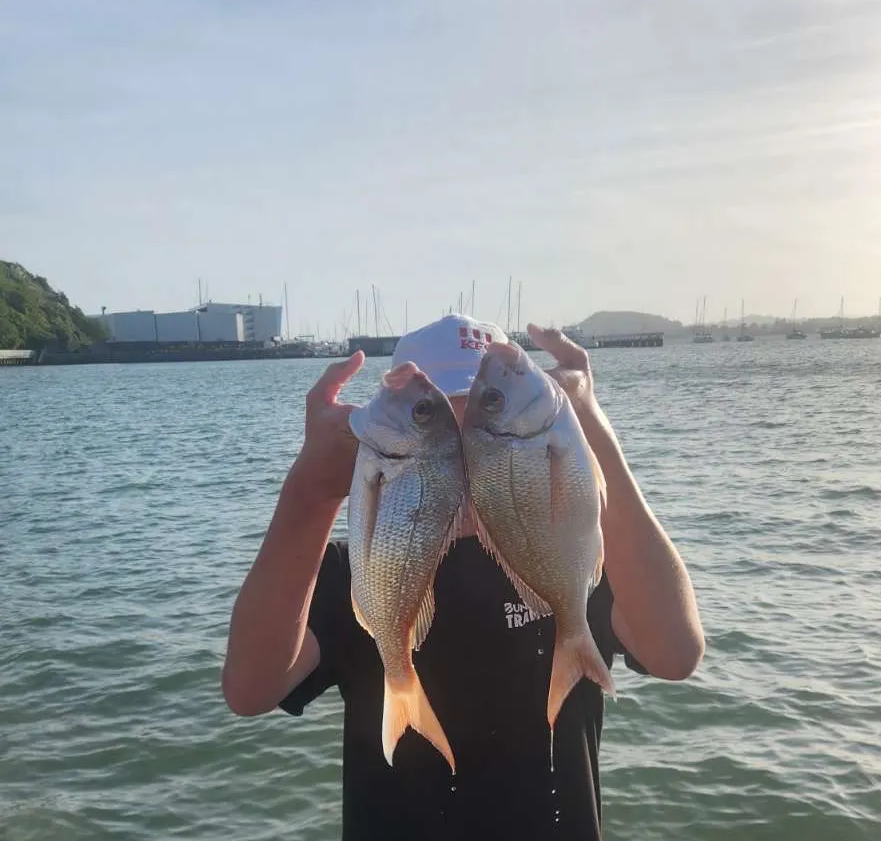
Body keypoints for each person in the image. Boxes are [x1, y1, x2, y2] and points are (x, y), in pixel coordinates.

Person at [222, 314, 704, 841]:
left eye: (482, 422)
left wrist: (592, 434)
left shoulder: (577, 552)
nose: (467, 452)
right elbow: (250, 690)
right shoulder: (357, 569)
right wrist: (310, 490)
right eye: (445, 431)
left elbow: (675, 653)